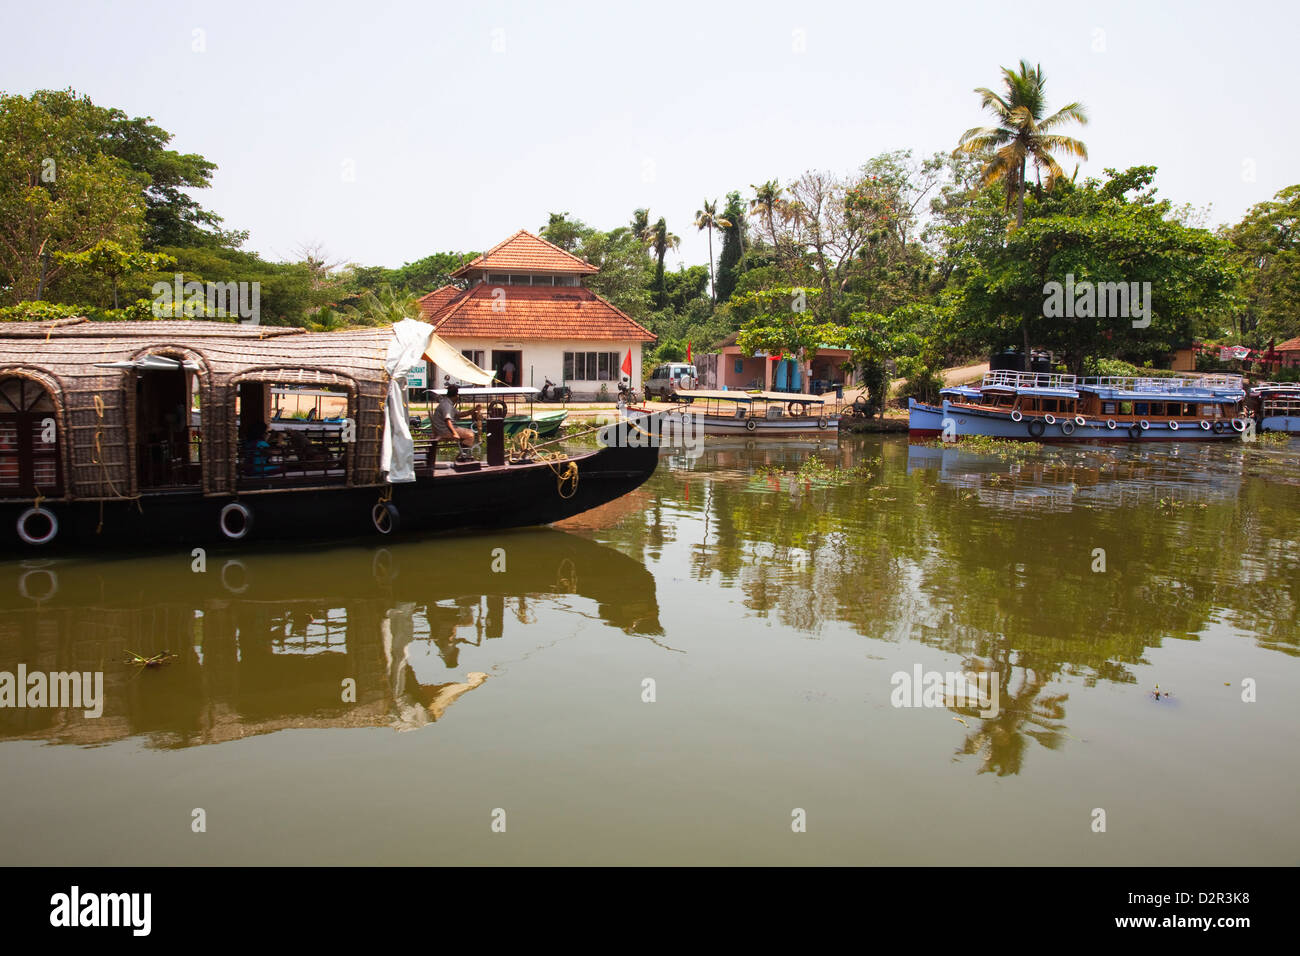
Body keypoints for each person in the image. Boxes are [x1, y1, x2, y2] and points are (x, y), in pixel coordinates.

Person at [433, 384, 476, 460]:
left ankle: (462, 455)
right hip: (444, 431)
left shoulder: (447, 403)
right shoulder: (447, 405)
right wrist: (454, 433)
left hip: (444, 429)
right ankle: (462, 457)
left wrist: (473, 410)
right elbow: (447, 420)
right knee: (470, 435)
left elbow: (459, 414)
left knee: (467, 434)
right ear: (456, 395)